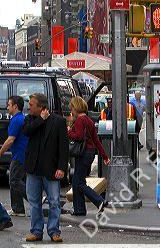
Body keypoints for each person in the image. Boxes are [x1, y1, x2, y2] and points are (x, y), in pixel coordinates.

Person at [22, 93, 68, 243]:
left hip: (51, 168)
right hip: (33, 168)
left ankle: (54, 231)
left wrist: (62, 167)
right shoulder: (30, 119)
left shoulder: (58, 121)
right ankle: (36, 231)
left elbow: (63, 147)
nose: (29, 107)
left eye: (31, 105)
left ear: (41, 107)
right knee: (34, 202)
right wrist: (41, 120)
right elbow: (26, 132)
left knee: (54, 202)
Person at [68, 97, 111, 216]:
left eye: (71, 107)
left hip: (83, 153)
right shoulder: (89, 120)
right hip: (90, 153)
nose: (70, 109)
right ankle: (79, 210)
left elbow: (78, 136)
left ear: (75, 108)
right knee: (78, 181)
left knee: (78, 182)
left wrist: (68, 131)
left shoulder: (79, 121)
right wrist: (105, 156)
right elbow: (97, 141)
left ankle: (99, 201)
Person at [0, 96, 28, 217]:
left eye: (9, 105)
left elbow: (11, 139)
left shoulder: (16, 120)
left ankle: (34, 199)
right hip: (21, 153)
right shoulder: (21, 118)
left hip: (20, 154)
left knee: (15, 180)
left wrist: (0, 152)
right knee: (15, 180)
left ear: (15, 106)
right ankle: (18, 209)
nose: (7, 107)